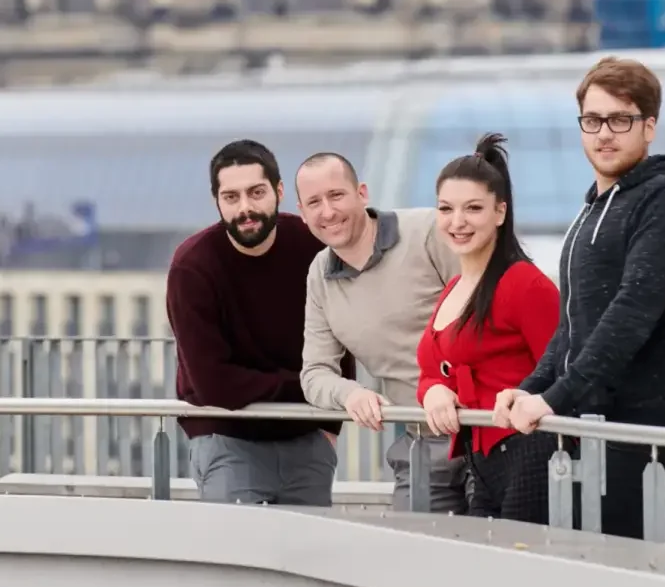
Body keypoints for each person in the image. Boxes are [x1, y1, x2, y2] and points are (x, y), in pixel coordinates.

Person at [494, 56, 665, 541]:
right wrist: (531, 388)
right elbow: (573, 326)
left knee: (617, 585)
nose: (604, 134)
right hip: (584, 420)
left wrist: (553, 398)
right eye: (592, 121)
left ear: (649, 126)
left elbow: (631, 314)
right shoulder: (593, 208)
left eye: (621, 120)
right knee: (526, 557)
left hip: (642, 431)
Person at [166, 139, 351, 506]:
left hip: (306, 440)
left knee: (308, 558)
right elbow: (213, 384)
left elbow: (339, 341)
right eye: (231, 197)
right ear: (216, 201)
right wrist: (311, 389)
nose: (245, 208)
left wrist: (328, 426)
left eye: (256, 192)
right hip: (228, 439)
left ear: (279, 191)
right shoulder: (193, 268)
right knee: (236, 557)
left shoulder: (311, 247)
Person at [296, 152, 471, 514]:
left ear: (362, 193)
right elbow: (314, 373)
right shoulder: (319, 274)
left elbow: (492, 312)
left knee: (502, 554)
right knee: (411, 559)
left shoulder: (428, 232)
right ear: (302, 213)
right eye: (314, 202)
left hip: (483, 430)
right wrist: (350, 394)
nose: (327, 212)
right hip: (422, 440)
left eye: (336, 195)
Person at [416, 133, 560, 522]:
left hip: (530, 451)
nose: (457, 222)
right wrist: (432, 394)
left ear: (499, 212)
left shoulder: (524, 284)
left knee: (519, 570)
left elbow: (564, 369)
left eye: (473, 209)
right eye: (446, 209)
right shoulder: (453, 288)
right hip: (481, 460)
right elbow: (433, 370)